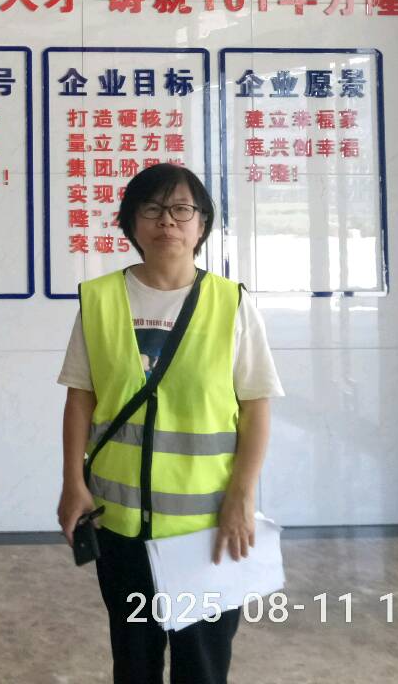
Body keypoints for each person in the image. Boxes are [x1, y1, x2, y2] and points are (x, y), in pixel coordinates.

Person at [56, 163, 282, 684]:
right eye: (153, 209)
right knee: (133, 662)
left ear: (201, 225)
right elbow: (80, 399)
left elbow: (256, 406)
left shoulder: (231, 303)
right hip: (120, 525)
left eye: (182, 210)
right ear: (131, 222)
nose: (167, 222)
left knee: (202, 667)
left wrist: (242, 496)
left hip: (206, 529)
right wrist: (72, 484)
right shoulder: (99, 300)